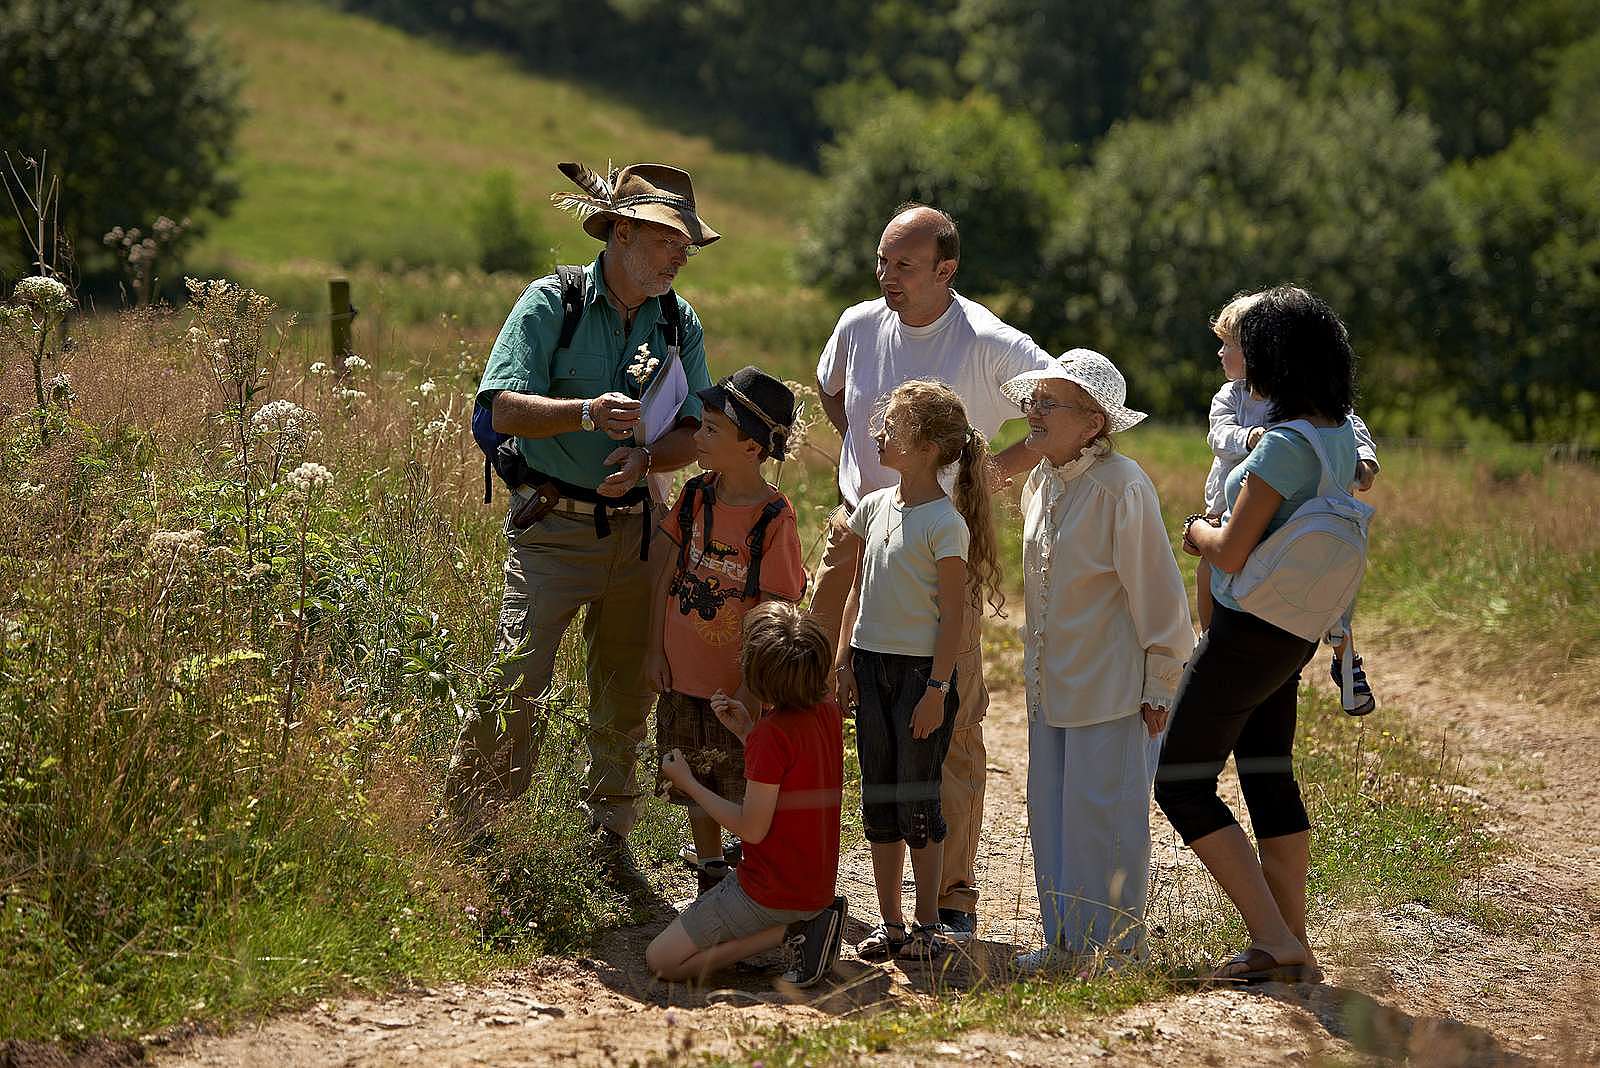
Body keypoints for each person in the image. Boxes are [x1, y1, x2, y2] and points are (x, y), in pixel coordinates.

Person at [442, 162, 717, 892]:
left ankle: (609, 847)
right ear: (621, 232)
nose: (680, 254)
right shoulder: (549, 302)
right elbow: (500, 407)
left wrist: (649, 457)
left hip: (637, 532)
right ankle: (476, 842)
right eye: (668, 240)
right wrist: (587, 413)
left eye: (686, 244)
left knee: (626, 695)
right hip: (551, 529)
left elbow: (698, 430)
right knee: (514, 678)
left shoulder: (677, 320)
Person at [810, 203, 1053, 939]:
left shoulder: (986, 339)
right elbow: (830, 389)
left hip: (941, 545)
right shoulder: (856, 325)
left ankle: (951, 899)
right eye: (882, 262)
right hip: (856, 531)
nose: (887, 277)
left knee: (948, 722)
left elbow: (1060, 405)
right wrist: (861, 459)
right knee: (815, 690)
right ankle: (797, 868)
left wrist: (990, 472)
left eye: (904, 265)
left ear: (946, 269)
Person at [1156, 284, 1361, 984]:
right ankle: (1292, 939)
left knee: (1181, 782)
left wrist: (1193, 533)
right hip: (1294, 631)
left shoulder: (1280, 447)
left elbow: (1230, 549)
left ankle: (1273, 938)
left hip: (1247, 630)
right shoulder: (1334, 432)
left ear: (1274, 359)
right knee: (1268, 773)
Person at [1000, 350, 1196, 976]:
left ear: (1093, 422)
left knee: (1105, 817)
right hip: (1050, 684)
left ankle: (1112, 951)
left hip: (1112, 687)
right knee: (1052, 812)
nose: (1033, 412)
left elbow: (1158, 593)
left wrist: (1161, 682)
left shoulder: (1122, 486)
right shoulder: (1041, 483)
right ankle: (1062, 941)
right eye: (1034, 400)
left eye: (1049, 404)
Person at [833, 380, 1002, 964]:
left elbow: (953, 615)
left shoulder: (945, 523)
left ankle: (929, 925)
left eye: (892, 427)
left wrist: (936, 690)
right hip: (872, 668)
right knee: (878, 798)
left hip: (919, 679)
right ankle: (893, 925)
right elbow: (858, 588)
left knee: (919, 801)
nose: (878, 434)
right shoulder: (875, 508)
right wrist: (843, 660)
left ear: (928, 447)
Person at [645, 367, 807, 894]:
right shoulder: (694, 497)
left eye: (713, 429)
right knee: (695, 780)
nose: (698, 437)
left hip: (737, 690)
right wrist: (654, 650)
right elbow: (662, 578)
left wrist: (750, 689)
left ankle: (757, 885)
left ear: (753, 448)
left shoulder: (774, 520)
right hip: (683, 677)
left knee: (742, 784)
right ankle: (711, 873)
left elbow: (777, 614)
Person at [1199, 291, 1383, 715]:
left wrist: (1366, 458)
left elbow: (1350, 422)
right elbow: (1217, 434)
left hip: (1293, 516)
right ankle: (1210, 643)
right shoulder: (1231, 396)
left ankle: (1345, 653)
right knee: (1208, 570)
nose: (1220, 351)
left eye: (1230, 344)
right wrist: (1248, 439)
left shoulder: (1302, 401)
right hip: (1228, 507)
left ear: (1263, 351)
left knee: (1333, 585)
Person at [648, 602, 848, 988]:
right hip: (815, 886)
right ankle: (809, 922)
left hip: (769, 890)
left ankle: (791, 934)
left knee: (662, 960)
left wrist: (689, 783)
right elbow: (791, 774)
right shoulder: (826, 712)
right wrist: (748, 733)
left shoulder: (773, 735)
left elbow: (751, 829)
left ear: (758, 674)